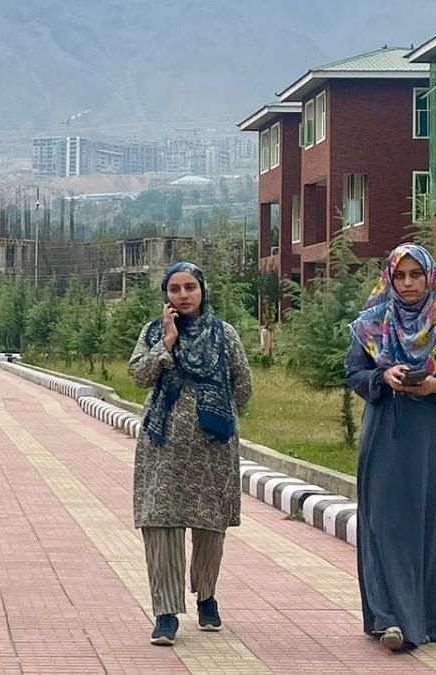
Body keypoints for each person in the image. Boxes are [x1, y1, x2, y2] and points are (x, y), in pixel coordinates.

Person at [345, 243, 436, 652]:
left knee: (433, 526)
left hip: (435, 439)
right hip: (385, 434)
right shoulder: (370, 325)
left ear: (429, 277)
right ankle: (390, 620)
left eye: (415, 275)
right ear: (389, 277)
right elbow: (354, 372)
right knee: (385, 524)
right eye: (400, 276)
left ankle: (433, 621)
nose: (407, 284)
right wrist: (382, 378)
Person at [128, 261, 252, 646]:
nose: (183, 295)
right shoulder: (153, 332)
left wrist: (218, 415)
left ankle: (207, 596)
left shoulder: (223, 334)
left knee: (209, 525)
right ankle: (165, 613)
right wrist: (165, 345)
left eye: (190, 288)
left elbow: (242, 383)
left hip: (210, 448)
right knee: (160, 525)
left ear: (202, 291)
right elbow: (138, 376)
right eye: (175, 289)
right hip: (162, 446)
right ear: (166, 294)